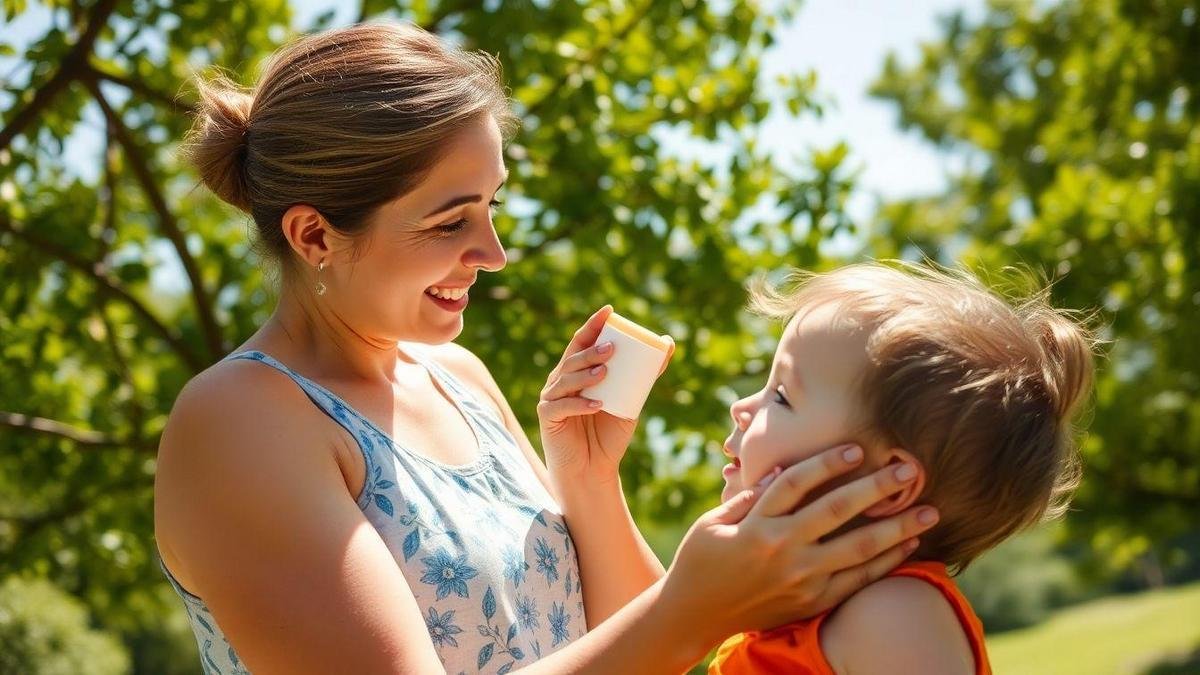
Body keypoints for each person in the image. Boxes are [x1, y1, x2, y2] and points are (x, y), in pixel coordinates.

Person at [152, 22, 938, 674]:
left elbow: (639, 652)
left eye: (492, 206)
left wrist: (589, 480)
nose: (493, 252)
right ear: (314, 234)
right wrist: (694, 602)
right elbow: (667, 627)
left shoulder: (458, 378)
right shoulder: (239, 421)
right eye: (450, 220)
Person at [707, 262, 1095, 674]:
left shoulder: (893, 615)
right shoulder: (793, 605)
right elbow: (658, 636)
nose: (741, 407)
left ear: (892, 485)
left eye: (781, 396)